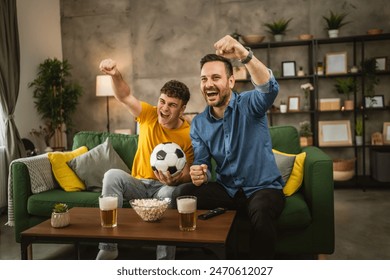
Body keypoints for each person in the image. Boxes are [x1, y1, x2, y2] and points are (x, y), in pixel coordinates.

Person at [173, 35, 285, 259]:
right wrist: (198, 173)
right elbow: (202, 164)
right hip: (228, 191)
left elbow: (269, 88)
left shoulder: (250, 104)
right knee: (183, 194)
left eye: (216, 77)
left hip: (262, 189)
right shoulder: (199, 124)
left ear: (231, 82)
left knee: (261, 211)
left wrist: (243, 53)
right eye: (204, 79)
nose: (209, 84)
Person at [96, 58, 193, 260]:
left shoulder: (190, 134)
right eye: (162, 101)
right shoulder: (148, 114)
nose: (164, 109)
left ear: (182, 109)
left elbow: (188, 171)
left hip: (163, 187)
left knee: (171, 192)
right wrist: (115, 74)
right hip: (137, 185)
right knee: (112, 175)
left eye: (172, 105)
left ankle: (164, 261)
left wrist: (177, 179)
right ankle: (108, 248)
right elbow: (124, 95)